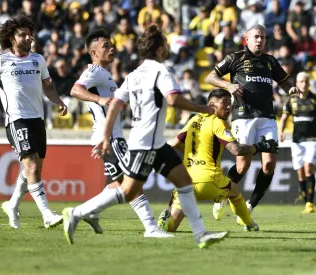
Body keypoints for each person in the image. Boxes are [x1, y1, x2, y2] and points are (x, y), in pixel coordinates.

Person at [62, 25, 228, 248]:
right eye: (166, 44)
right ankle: (77, 213)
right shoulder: (161, 72)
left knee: (184, 180)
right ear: (159, 49)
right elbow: (173, 100)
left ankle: (200, 234)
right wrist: (204, 109)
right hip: (146, 144)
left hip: (155, 142)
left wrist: (104, 135)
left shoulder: (133, 75)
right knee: (128, 190)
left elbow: (115, 106)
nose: (168, 47)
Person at [69, 29, 172, 237]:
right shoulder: (95, 71)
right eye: (106, 46)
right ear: (94, 53)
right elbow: (75, 89)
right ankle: (151, 228)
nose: (112, 48)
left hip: (111, 136)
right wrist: (99, 100)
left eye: (111, 45)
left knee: (118, 183)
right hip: (111, 138)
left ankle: (89, 212)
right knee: (131, 182)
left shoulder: (105, 74)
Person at [0, 15, 68, 229]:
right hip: (17, 120)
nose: (28, 38)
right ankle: (47, 215)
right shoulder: (0, 60)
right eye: (22, 34)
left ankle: (12, 205)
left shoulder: (38, 59)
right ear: (11, 37)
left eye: (29, 34)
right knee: (32, 166)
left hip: (38, 120)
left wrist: (59, 101)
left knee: (34, 170)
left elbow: (47, 87)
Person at [205, 24, 299, 223]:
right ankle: (221, 196)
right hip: (243, 116)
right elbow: (210, 77)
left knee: (269, 165)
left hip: (267, 118)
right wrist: (228, 85)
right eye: (256, 37)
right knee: (242, 165)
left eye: (263, 38)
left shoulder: (270, 61)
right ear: (246, 39)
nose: (260, 40)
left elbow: (284, 82)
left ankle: (249, 206)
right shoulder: (235, 58)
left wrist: (290, 89)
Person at [157, 89, 279, 232]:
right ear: (211, 104)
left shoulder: (193, 120)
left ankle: (165, 222)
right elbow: (236, 150)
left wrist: (194, 156)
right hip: (209, 179)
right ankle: (250, 225)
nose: (229, 107)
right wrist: (260, 146)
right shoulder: (218, 122)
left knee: (172, 227)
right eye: (224, 103)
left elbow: (174, 143)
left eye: (230, 103)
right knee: (234, 193)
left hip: (187, 180)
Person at [278, 72, 316, 214]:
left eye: (306, 81)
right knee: (300, 173)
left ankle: (310, 202)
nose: (303, 84)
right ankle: (306, 203)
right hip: (297, 141)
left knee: (308, 167)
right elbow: (284, 118)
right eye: (301, 81)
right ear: (297, 83)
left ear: (309, 83)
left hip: (313, 140)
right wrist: (281, 132)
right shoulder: (291, 101)